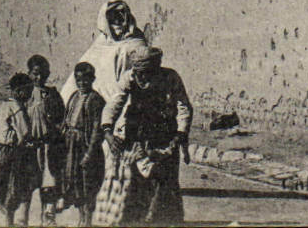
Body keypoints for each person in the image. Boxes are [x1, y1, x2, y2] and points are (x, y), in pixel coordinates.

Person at [95, 45, 192, 227]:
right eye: (138, 71)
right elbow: (115, 102)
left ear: (156, 67)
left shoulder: (170, 78)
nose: (142, 76)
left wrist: (181, 134)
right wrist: (107, 130)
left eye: (146, 71)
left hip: (164, 137)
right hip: (137, 136)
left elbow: (183, 106)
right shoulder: (130, 78)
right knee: (137, 183)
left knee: (165, 182)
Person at [62, 0, 149, 104]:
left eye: (121, 16)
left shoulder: (136, 41)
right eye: (114, 17)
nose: (118, 21)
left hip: (120, 92)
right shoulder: (101, 41)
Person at [0, 73, 42, 227]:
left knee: (6, 187)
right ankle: (11, 223)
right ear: (19, 92)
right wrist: (34, 142)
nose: (31, 94)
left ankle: (10, 221)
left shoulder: (4, 106)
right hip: (16, 154)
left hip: (3, 152)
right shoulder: (17, 109)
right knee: (16, 187)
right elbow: (24, 132)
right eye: (29, 90)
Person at [61, 62, 105, 226]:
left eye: (86, 80)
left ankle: (87, 221)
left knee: (88, 183)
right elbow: (66, 120)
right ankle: (81, 218)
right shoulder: (74, 96)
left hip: (85, 146)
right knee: (75, 183)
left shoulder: (96, 100)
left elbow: (96, 129)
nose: (82, 83)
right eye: (78, 80)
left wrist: (89, 153)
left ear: (92, 79)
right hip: (71, 146)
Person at [27, 55, 66, 225]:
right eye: (35, 73)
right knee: (26, 185)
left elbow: (61, 120)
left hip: (47, 146)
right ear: (29, 73)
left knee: (48, 183)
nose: (39, 77)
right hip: (28, 147)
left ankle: (48, 219)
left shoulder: (53, 95)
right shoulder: (24, 94)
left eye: (43, 74)